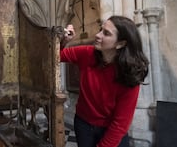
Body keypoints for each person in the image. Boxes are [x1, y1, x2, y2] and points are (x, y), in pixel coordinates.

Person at [60, 15, 149, 147]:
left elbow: (120, 124)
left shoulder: (129, 74)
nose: (97, 35)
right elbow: (56, 56)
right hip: (83, 124)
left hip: (111, 130)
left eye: (106, 33)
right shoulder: (87, 53)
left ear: (121, 44)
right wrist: (64, 42)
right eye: (100, 29)